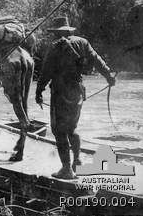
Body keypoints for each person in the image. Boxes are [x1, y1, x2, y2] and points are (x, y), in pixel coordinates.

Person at [35, 16, 116, 179]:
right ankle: (77, 163)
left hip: (60, 91)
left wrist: (39, 90)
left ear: (57, 32)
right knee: (72, 128)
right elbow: (97, 60)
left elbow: (46, 71)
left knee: (59, 131)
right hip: (78, 90)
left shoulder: (55, 47)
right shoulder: (83, 42)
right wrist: (109, 75)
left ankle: (66, 169)